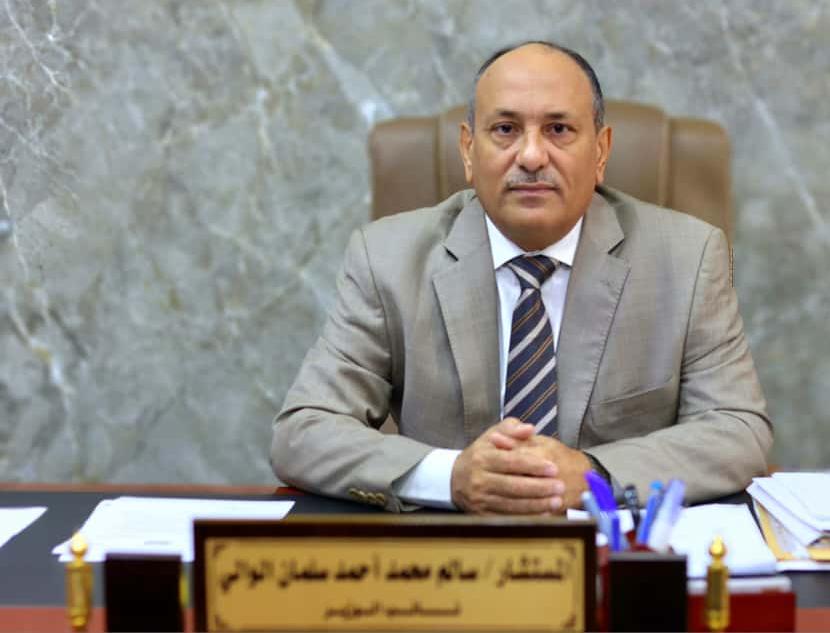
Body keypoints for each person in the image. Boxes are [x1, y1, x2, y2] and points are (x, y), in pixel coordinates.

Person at [271, 41, 771, 514]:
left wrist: (593, 476)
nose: (531, 156)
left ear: (601, 152)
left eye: (559, 129)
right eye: (506, 129)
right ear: (468, 151)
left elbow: (737, 429)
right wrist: (450, 477)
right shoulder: (387, 258)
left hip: (612, 553)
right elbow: (304, 431)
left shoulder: (687, 259)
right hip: (449, 555)